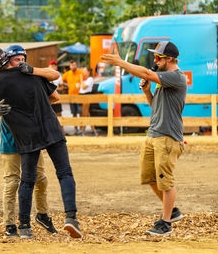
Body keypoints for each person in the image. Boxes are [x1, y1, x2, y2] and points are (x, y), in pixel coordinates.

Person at [0, 46, 82, 239]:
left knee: (27, 180)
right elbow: (56, 95)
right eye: (17, 58)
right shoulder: (34, 74)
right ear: (8, 58)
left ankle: (24, 226)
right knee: (63, 173)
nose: (20, 61)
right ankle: (71, 218)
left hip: (26, 136)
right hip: (49, 129)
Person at [101, 41, 187, 235]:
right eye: (154, 57)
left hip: (168, 137)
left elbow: (147, 73)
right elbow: (154, 106)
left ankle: (166, 224)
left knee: (166, 181)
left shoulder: (176, 77)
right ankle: (172, 211)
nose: (155, 61)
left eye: (159, 58)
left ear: (171, 59)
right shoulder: (163, 80)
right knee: (149, 177)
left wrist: (121, 63)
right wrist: (147, 91)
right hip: (154, 133)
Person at [62, 60, 84, 135]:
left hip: (79, 96)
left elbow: (85, 80)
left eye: (74, 65)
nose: (73, 66)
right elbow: (61, 80)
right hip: (71, 96)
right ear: (70, 66)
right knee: (74, 113)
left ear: (76, 65)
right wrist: (66, 84)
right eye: (72, 65)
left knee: (80, 112)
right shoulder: (67, 74)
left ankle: (81, 128)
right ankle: (76, 128)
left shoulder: (80, 72)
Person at [79, 66, 97, 136]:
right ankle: (94, 130)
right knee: (87, 114)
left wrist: (80, 79)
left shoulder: (90, 79)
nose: (83, 72)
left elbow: (83, 87)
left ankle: (83, 131)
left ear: (88, 72)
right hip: (82, 96)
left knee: (84, 114)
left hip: (86, 96)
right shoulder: (85, 79)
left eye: (85, 70)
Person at [49, 60, 66, 135]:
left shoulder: (59, 75)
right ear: (49, 66)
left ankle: (62, 131)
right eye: (52, 65)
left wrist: (55, 89)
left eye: (54, 65)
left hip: (56, 96)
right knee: (49, 113)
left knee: (59, 113)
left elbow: (62, 87)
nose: (53, 66)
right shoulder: (46, 74)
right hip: (49, 96)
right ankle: (51, 131)